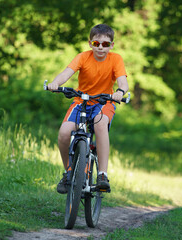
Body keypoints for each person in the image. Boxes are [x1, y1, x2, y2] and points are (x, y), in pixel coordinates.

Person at [47, 24, 129, 194]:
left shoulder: (116, 59)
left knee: (100, 125)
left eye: (105, 44)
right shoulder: (83, 57)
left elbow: (123, 81)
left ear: (111, 45)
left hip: (104, 102)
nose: (100, 47)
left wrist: (120, 92)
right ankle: (68, 173)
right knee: (63, 133)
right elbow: (66, 73)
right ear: (90, 43)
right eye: (96, 43)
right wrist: (56, 83)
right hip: (81, 101)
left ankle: (102, 175)